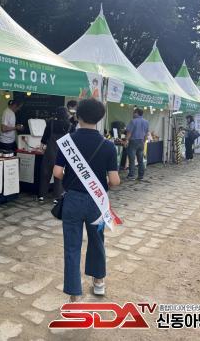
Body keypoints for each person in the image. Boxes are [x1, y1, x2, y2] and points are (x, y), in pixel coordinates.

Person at [53, 98, 120, 300]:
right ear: (99, 118)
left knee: (71, 246)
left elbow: (57, 173)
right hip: (97, 203)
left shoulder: (67, 142)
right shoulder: (108, 146)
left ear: (78, 116)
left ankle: (74, 293)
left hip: (72, 201)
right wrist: (101, 185)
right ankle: (98, 282)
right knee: (97, 241)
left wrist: (72, 179)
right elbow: (114, 180)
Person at [38, 106, 70, 203]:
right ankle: (57, 197)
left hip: (50, 153)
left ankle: (42, 196)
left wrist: (41, 148)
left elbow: (44, 139)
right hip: (63, 154)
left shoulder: (50, 123)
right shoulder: (69, 125)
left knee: (45, 173)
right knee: (59, 175)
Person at [125, 108, 149, 180]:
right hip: (141, 142)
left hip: (133, 142)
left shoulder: (133, 121)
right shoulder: (146, 122)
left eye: (134, 113)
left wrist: (126, 140)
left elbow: (129, 132)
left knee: (132, 159)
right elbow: (146, 133)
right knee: (140, 160)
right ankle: (141, 176)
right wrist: (144, 141)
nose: (133, 114)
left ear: (137, 113)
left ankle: (131, 175)